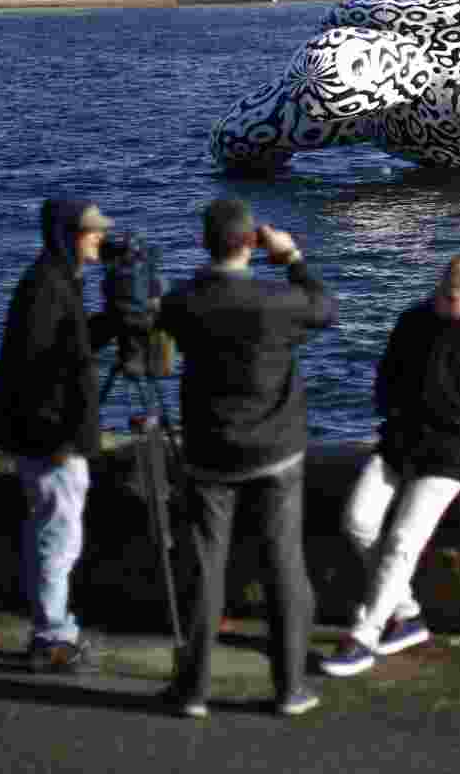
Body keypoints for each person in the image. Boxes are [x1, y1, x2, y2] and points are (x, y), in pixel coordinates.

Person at [158, 198, 337, 719]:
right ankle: (290, 688)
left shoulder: (185, 302)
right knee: (283, 566)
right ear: (251, 243)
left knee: (206, 569)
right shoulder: (276, 301)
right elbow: (326, 308)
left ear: (204, 242)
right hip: (275, 452)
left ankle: (191, 691)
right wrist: (293, 257)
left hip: (209, 451)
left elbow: (163, 312)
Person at [320, 254, 460, 678]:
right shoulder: (413, 320)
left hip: (447, 457)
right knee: (357, 520)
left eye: (451, 298)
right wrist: (390, 412)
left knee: (403, 541)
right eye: (440, 293)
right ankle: (407, 614)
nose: (441, 303)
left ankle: (365, 634)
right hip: (398, 444)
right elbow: (386, 375)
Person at [0, 197, 117, 673]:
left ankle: (55, 627)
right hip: (51, 439)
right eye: (90, 230)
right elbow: (36, 369)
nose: (99, 236)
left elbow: (71, 346)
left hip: (49, 434)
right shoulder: (46, 288)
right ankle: (51, 637)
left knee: (55, 533)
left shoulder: (58, 280)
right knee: (58, 537)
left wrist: (113, 320)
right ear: (66, 234)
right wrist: (57, 440)